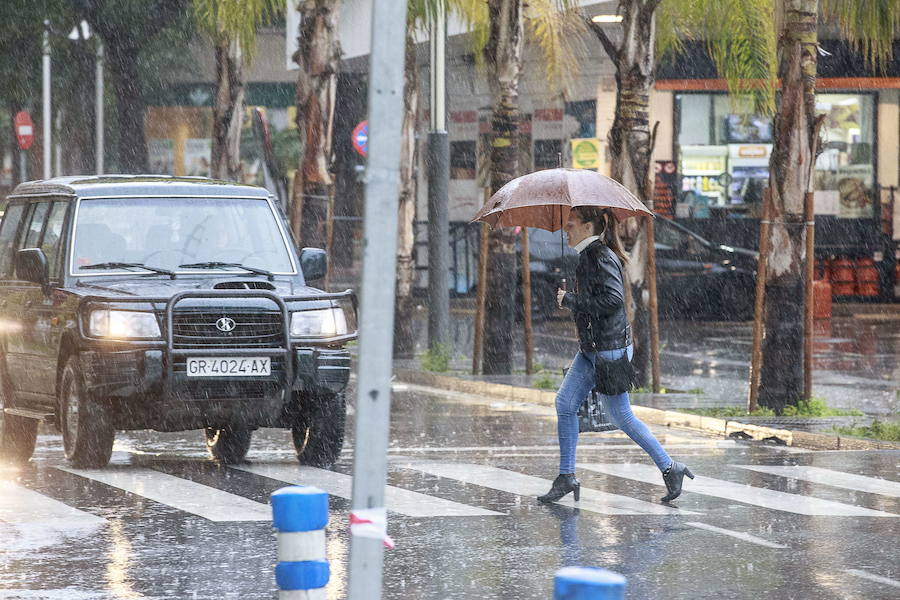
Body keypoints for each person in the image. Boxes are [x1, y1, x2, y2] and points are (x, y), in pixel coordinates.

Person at [537, 206, 694, 504]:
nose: (565, 230)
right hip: (594, 348)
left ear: (587, 227)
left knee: (620, 415)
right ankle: (566, 476)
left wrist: (571, 300)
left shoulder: (600, 256)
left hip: (609, 349)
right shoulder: (588, 256)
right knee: (565, 404)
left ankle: (671, 468)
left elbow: (613, 300)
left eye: (570, 225)